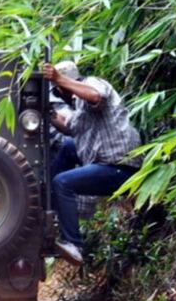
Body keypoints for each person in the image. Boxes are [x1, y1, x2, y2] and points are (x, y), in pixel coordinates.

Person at [44, 61, 142, 266]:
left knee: (62, 182)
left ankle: (74, 244)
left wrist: (58, 78)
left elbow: (96, 96)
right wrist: (47, 113)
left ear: (65, 85)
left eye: (59, 91)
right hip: (105, 165)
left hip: (120, 167)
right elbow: (68, 127)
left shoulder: (91, 83)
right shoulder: (79, 108)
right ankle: (48, 204)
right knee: (68, 146)